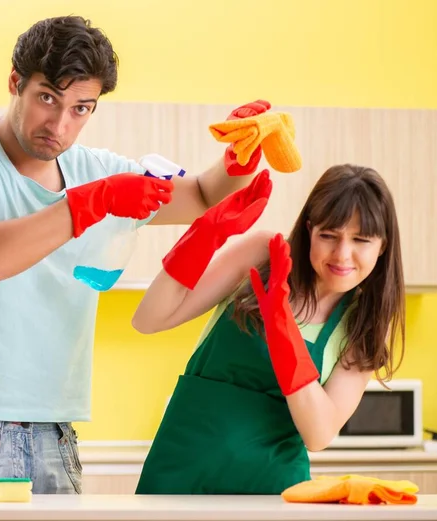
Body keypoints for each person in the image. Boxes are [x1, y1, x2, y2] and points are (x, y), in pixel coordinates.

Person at [0, 14, 271, 495]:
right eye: (48, 97)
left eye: (81, 108)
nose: (60, 124)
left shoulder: (94, 169)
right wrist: (93, 202)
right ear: (15, 82)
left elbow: (197, 194)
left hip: (55, 434)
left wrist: (238, 160)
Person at [132, 164, 406, 494]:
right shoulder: (264, 256)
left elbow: (318, 434)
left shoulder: (365, 321)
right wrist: (205, 236)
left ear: (383, 245)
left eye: (361, 239)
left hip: (272, 495)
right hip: (179, 477)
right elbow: (148, 320)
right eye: (328, 235)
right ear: (309, 230)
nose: (342, 254)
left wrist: (283, 329)